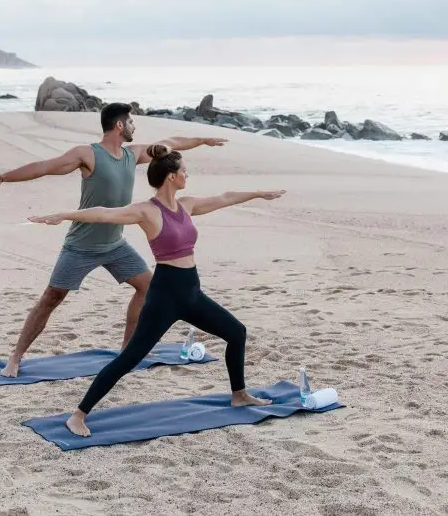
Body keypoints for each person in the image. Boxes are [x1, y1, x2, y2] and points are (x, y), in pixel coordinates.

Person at [27, 144, 285, 437]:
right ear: (172, 176)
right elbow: (104, 213)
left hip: (191, 292)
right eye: (184, 170)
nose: (188, 174)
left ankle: (239, 394)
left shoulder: (187, 205)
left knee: (236, 333)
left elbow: (224, 198)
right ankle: (78, 415)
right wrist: (62, 214)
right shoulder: (147, 211)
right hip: (165, 296)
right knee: (130, 357)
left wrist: (258, 193)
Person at [0, 102, 227, 377]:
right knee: (51, 298)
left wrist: (202, 140)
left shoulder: (134, 154)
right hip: (81, 245)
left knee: (147, 288)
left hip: (116, 245)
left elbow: (170, 142)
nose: (134, 126)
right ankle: (16, 356)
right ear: (119, 125)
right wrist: (2, 177)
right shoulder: (88, 154)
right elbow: (46, 166)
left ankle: (128, 349)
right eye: (130, 122)